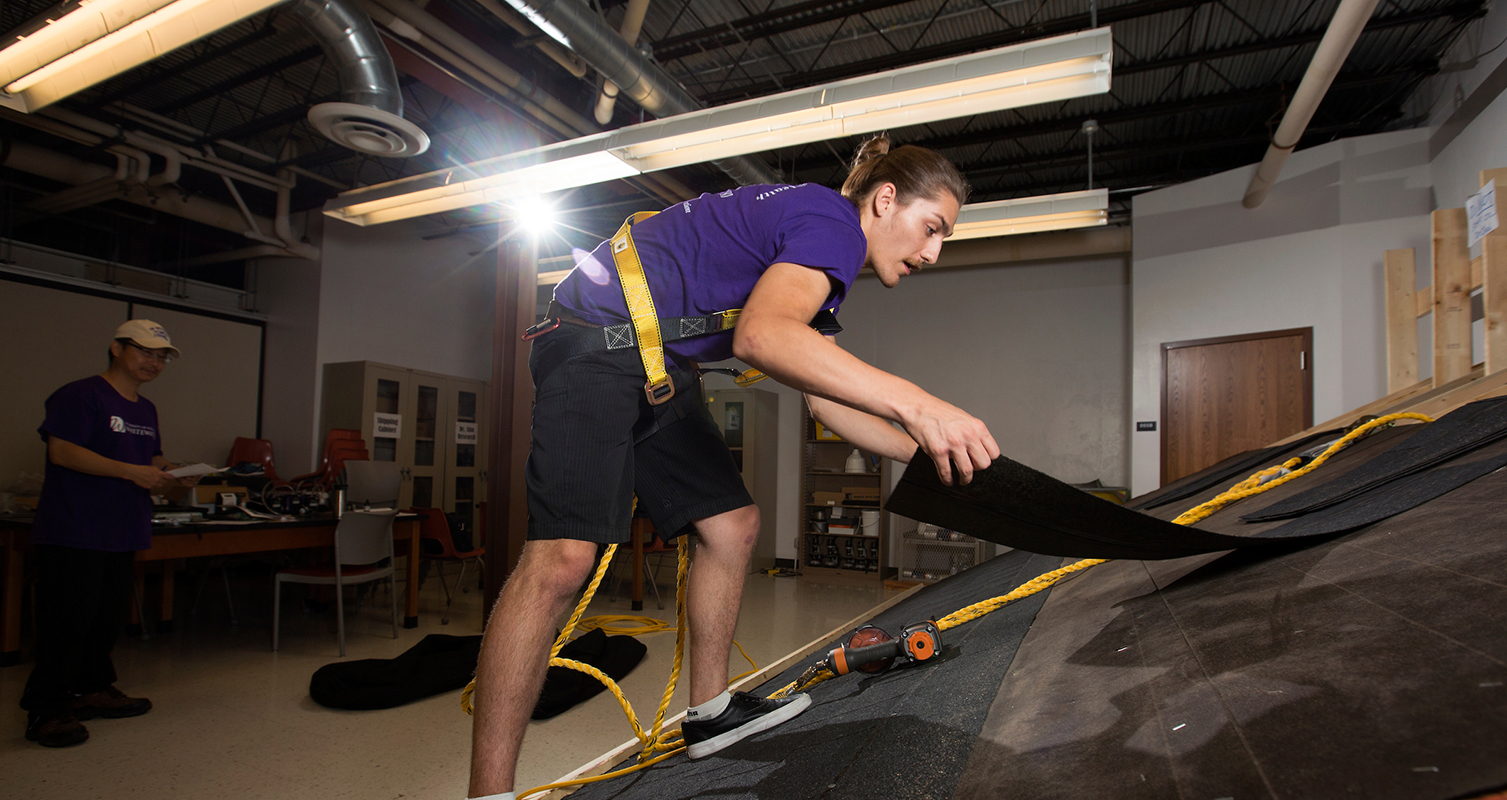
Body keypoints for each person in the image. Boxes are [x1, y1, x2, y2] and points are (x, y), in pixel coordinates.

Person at [468, 135, 1000, 800]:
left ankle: (710, 713)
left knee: (731, 524)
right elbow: (763, 338)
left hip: (655, 363)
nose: (932, 252)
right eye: (931, 229)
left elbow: (828, 403)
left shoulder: (815, 247)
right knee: (563, 559)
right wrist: (924, 406)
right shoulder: (830, 223)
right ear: (884, 200)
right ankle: (487, 794)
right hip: (591, 344)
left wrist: (927, 451)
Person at [20, 319, 198, 747]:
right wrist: (131, 471)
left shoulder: (146, 409)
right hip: (75, 528)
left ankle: (92, 690)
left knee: (103, 620)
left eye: (162, 357)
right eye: (146, 352)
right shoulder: (80, 395)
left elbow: (151, 462)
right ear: (117, 348)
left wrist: (176, 476)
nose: (154, 362)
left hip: (123, 529)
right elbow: (62, 451)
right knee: (66, 621)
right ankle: (46, 709)